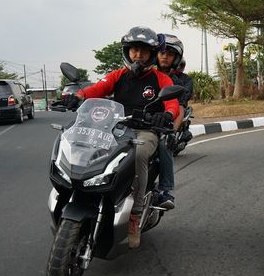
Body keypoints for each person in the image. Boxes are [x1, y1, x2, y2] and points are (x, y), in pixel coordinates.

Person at [75, 26, 179, 248]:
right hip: (115, 128)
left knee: (140, 153)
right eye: (134, 50)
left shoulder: (161, 79)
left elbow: (172, 104)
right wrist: (78, 96)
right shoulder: (118, 75)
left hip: (145, 130)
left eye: (143, 50)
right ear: (127, 51)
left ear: (151, 54)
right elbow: (96, 90)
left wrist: (167, 115)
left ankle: (135, 213)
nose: (138, 55)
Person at [153, 34, 193, 210]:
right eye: (161, 52)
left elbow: (180, 107)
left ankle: (164, 191)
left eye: (169, 53)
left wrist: (171, 131)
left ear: (176, 58)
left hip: (164, 122)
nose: (164, 56)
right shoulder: (146, 74)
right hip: (139, 120)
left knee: (164, 144)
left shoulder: (182, 82)